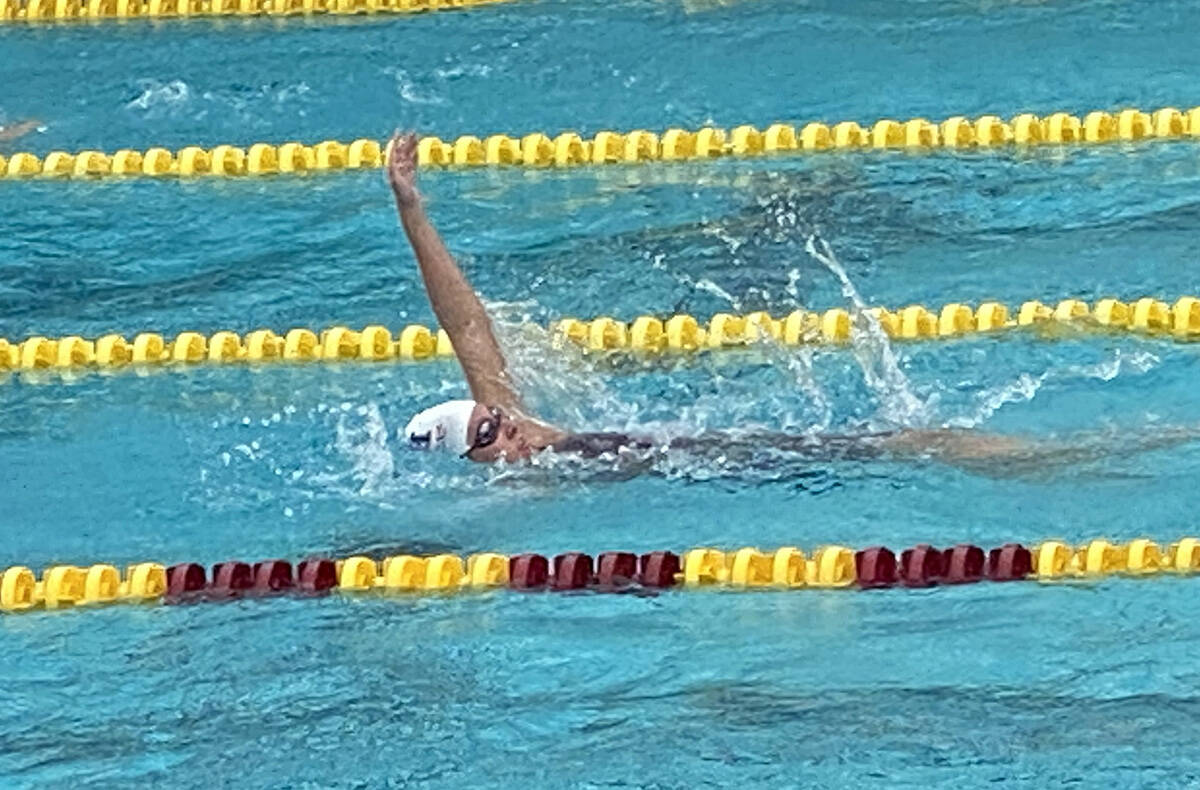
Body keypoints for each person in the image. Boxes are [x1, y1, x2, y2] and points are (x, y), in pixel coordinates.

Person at [386, 130, 1192, 472]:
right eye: (491, 435)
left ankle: (1132, 446)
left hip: (732, 455)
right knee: (915, 441)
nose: (509, 429)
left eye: (494, 418)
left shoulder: (528, 424)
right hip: (738, 471)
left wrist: (411, 209)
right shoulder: (526, 483)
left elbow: (466, 321)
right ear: (479, 463)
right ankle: (1118, 451)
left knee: (917, 437)